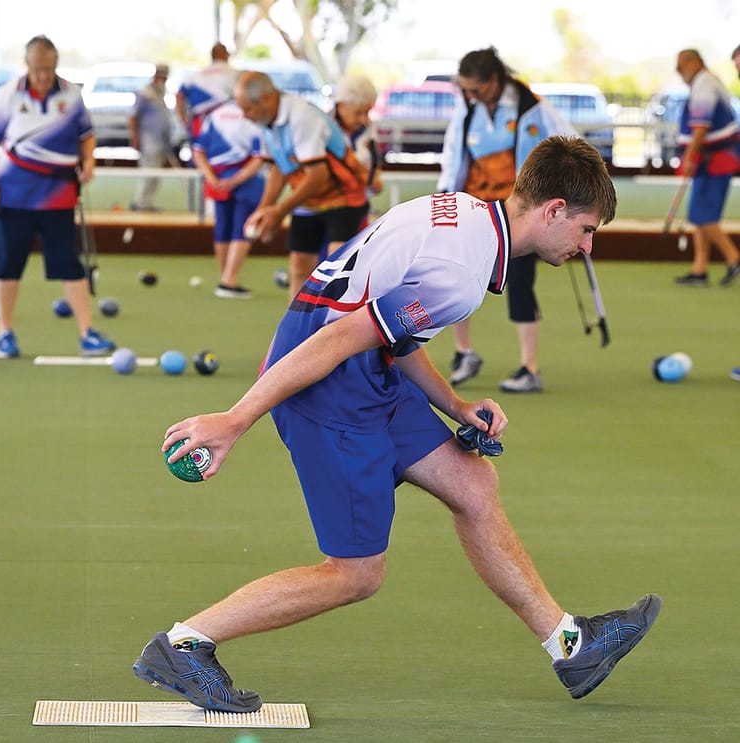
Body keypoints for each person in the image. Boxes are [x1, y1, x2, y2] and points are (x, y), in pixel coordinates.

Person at [132, 136, 661, 713]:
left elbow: (389, 334)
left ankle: (570, 647)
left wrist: (453, 405)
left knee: (472, 482)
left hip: (364, 368)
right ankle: (185, 645)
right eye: (586, 229)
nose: (586, 247)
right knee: (356, 573)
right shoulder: (460, 274)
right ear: (554, 209)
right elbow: (338, 337)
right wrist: (236, 420)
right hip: (328, 383)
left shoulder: (465, 214)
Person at [437, 47, 578, 393]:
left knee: (520, 282)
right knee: (456, 275)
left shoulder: (531, 108)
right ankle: (464, 352)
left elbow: (571, 145)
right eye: (465, 89)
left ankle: (530, 368)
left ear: (494, 81)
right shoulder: (467, 110)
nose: (470, 95)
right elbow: (454, 157)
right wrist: (445, 200)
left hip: (519, 215)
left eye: (476, 89)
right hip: (474, 210)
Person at [0, 34, 115, 359]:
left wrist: (89, 161)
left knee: (71, 267)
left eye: (49, 68)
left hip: (59, 198)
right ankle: (4, 334)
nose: (43, 75)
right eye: (38, 69)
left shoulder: (71, 95)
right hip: (12, 198)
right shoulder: (7, 96)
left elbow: (86, 137)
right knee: (6, 268)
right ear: (27, 65)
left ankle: (87, 334)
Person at [235, 70, 369, 301]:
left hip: (344, 199)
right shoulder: (267, 122)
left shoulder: (302, 117)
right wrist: (264, 209)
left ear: (266, 99)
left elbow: (318, 174)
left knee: (336, 271)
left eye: (247, 108)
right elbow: (280, 168)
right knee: (298, 267)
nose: (245, 115)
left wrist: (278, 212)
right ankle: (296, 334)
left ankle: (333, 332)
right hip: (308, 201)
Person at [671, 48, 740, 287]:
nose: (679, 72)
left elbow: (701, 125)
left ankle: (734, 257)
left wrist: (689, 157)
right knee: (698, 215)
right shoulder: (703, 82)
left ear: (695, 62)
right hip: (708, 160)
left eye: (681, 66)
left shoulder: (705, 83)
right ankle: (700, 269)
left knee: (704, 215)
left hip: (716, 159)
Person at [190, 100, 266, 299]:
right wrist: (235, 180)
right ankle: (229, 280)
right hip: (248, 182)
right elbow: (260, 157)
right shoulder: (254, 118)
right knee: (244, 228)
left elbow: (198, 150)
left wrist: (211, 177)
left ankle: (224, 277)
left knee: (223, 226)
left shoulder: (214, 115)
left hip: (217, 179)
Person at [332, 74, 384, 225]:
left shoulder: (368, 127)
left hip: (360, 207)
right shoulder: (324, 129)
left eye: (367, 112)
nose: (363, 118)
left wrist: (373, 179)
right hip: (331, 211)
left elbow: (376, 163)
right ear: (341, 106)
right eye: (358, 112)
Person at [129, 63, 176, 212]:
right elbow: (132, 117)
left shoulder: (161, 93)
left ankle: (148, 203)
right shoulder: (144, 93)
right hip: (148, 140)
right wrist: (135, 137)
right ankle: (141, 202)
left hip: (160, 141)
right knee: (148, 171)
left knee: (155, 173)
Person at [176, 42, 238, 142]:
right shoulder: (236, 74)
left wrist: (183, 120)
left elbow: (179, 96)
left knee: (199, 153)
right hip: (228, 126)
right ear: (225, 55)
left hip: (199, 125)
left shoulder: (195, 76)